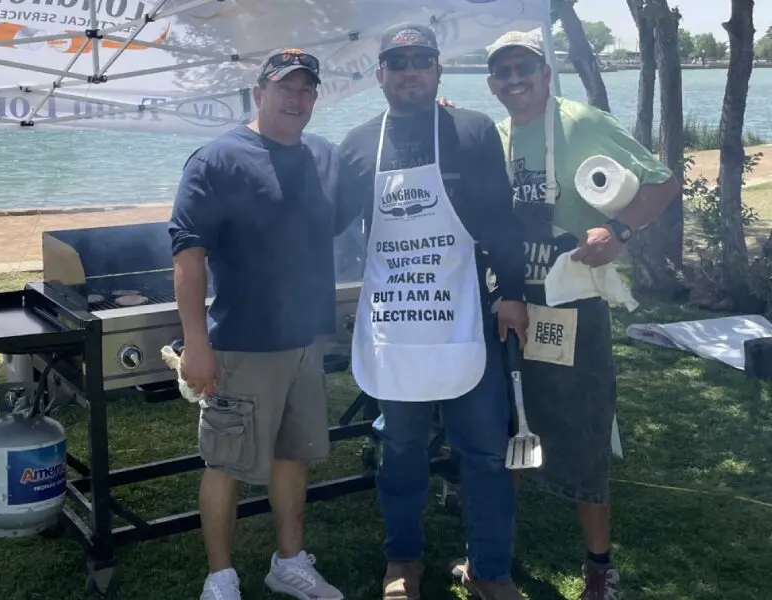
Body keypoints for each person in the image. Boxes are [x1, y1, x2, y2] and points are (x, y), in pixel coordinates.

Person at [471, 30, 680, 600]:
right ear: (492, 82)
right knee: (505, 426)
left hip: (572, 305)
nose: (515, 81)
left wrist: (618, 230)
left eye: (524, 69)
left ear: (546, 71)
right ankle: (493, 560)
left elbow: (662, 181)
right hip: (512, 301)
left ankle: (599, 567)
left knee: (584, 427)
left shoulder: (581, 121)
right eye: (503, 72)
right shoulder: (495, 135)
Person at [335, 23, 530, 600]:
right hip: (395, 328)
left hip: (464, 320)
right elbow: (329, 226)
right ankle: (403, 563)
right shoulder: (356, 144)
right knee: (399, 452)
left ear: (439, 70)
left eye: (422, 60)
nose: (411, 71)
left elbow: (500, 219)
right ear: (380, 77)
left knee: (487, 453)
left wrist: (514, 291)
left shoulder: (471, 131)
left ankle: (490, 570)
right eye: (398, 62)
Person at [168, 49, 345, 600]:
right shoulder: (217, 160)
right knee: (227, 463)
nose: (296, 99)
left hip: (304, 341)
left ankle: (288, 561)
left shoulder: (324, 157)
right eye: (285, 88)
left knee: (295, 455)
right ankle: (220, 578)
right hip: (242, 342)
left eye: (306, 90)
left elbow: (378, 166)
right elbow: (187, 256)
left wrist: (434, 115)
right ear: (258, 93)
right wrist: (197, 344)